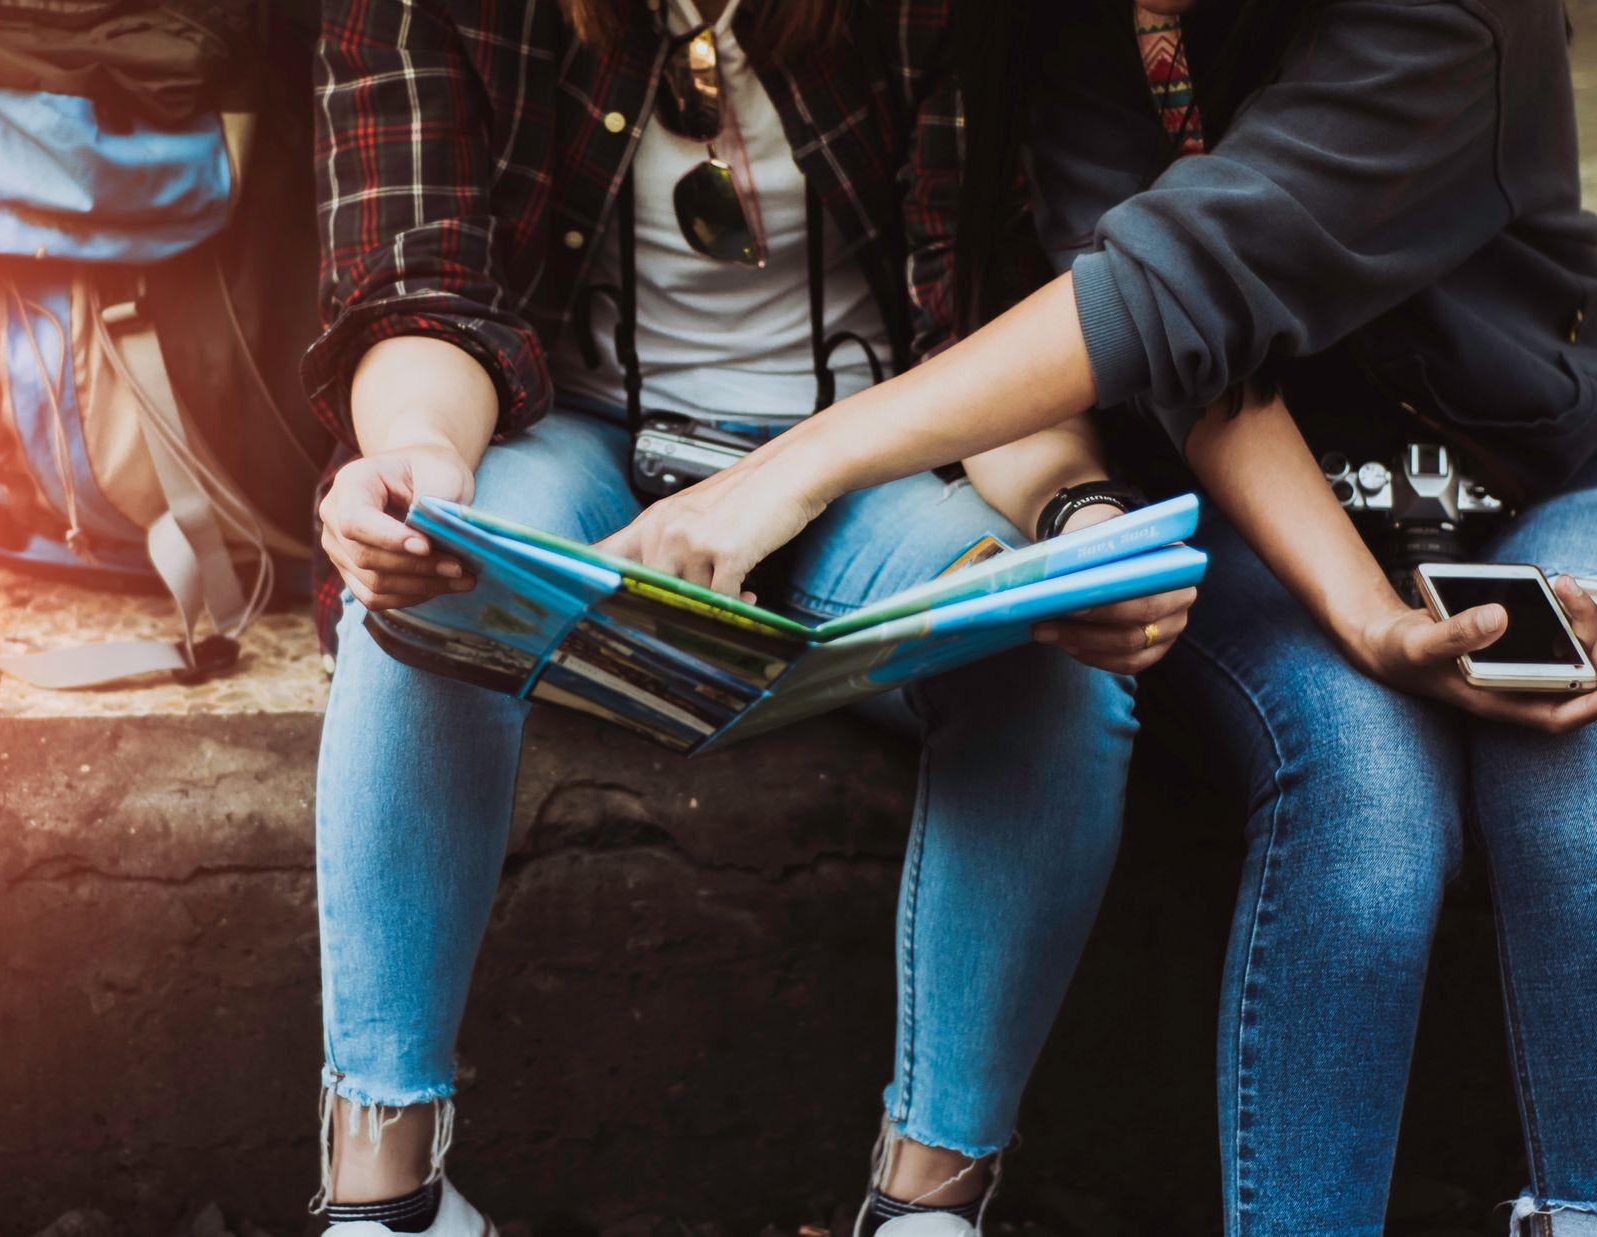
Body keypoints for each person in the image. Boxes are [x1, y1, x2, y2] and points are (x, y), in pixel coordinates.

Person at [605, 1, 1597, 1234]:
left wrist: (794, 469)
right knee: (1369, 789)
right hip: (1260, 494)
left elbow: (1175, 282)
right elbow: (1177, 330)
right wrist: (1359, 610)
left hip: (1525, 474)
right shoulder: (1094, 27)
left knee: (1574, 736)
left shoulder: (1455, 21)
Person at [303, 2, 1199, 1235]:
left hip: (863, 464)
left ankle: (933, 1204)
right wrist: (411, 460)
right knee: (423, 587)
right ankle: (384, 1198)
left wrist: (1076, 514)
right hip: (574, 436)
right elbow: (419, 287)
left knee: (1048, 650)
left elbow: (986, 335)